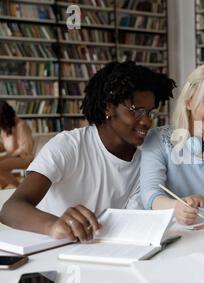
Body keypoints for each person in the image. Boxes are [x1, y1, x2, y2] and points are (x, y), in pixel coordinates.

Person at [0, 61, 176, 242]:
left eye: (150, 112)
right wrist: (54, 225)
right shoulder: (69, 146)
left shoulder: (146, 162)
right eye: (137, 111)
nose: (147, 122)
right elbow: (10, 209)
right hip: (47, 249)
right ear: (108, 107)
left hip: (99, 252)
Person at [140, 64, 204, 225]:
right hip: (168, 230)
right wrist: (176, 207)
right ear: (189, 102)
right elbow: (149, 194)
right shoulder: (158, 139)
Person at [0, 101, 34, 189]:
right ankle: (4, 187)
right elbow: (6, 146)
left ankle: (19, 188)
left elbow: (26, 149)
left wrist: (8, 155)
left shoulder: (21, 125)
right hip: (13, 156)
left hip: (24, 157)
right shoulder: (6, 127)